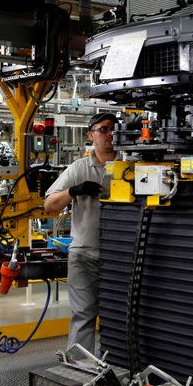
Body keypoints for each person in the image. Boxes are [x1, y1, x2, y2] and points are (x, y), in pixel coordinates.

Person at [44, 112, 117, 353]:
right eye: (104, 129)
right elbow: (50, 205)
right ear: (91, 135)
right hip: (84, 255)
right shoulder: (78, 168)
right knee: (83, 315)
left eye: (115, 128)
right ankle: (79, 371)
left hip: (120, 257)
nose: (111, 134)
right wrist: (73, 191)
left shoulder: (134, 166)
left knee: (119, 318)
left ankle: (116, 368)